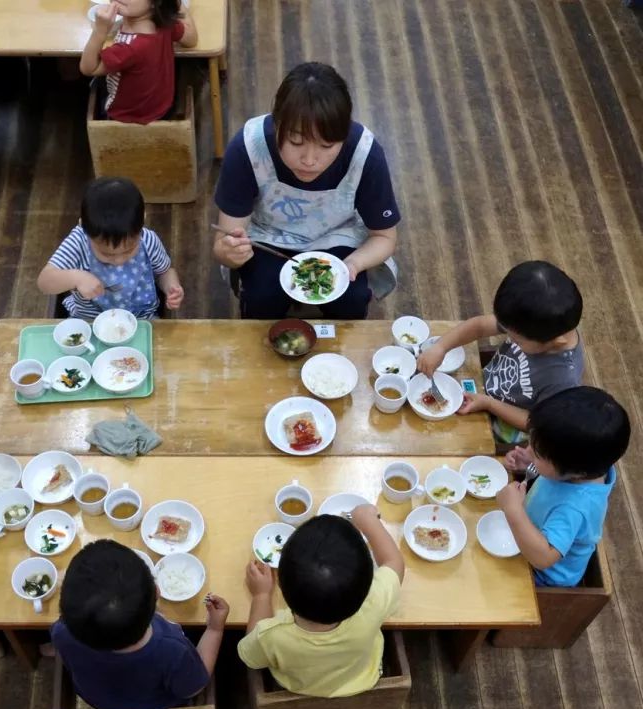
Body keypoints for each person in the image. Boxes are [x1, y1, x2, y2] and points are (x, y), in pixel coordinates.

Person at [212, 62, 400, 320]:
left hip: (338, 236)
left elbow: (385, 237)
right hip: (268, 239)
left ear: (345, 135)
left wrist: (353, 264)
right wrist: (230, 253)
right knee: (261, 299)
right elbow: (224, 242)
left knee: (350, 300)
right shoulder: (248, 147)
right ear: (276, 124)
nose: (310, 160)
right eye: (296, 142)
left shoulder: (365, 153)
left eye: (326, 145)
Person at [51, 540, 229, 709]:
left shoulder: (61, 632)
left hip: (102, 701)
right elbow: (193, 688)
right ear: (157, 591)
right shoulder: (172, 650)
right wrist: (215, 629)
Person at [240, 507, 404, 697]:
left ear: (282, 587)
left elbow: (250, 655)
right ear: (367, 582)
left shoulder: (270, 635)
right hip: (361, 676)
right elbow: (394, 562)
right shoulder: (374, 601)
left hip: (297, 686)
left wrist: (261, 596)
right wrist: (369, 521)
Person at [417, 260, 583, 445]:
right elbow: (479, 327)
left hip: (502, 430)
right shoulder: (532, 321)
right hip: (481, 389)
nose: (510, 336)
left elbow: (537, 423)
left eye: (517, 340)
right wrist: (440, 347)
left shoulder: (563, 379)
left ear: (556, 341)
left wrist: (489, 404)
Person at [498, 387, 629, 587]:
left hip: (542, 577)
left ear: (577, 472)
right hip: (529, 534)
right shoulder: (581, 467)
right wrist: (532, 463)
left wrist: (513, 510)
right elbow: (555, 468)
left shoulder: (574, 508)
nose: (529, 450)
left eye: (539, 453)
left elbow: (542, 558)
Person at [37, 177, 183, 319]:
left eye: (128, 251)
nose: (118, 261)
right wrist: (76, 278)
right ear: (84, 228)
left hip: (142, 319)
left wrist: (171, 287)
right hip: (89, 321)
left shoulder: (148, 241)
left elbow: (164, 272)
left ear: (141, 224)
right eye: (106, 254)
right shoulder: (79, 242)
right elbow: (44, 282)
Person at [79, 0, 197, 123]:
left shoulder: (129, 47)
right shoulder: (163, 22)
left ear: (155, 3)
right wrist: (178, 4)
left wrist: (100, 30)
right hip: (162, 106)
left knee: (92, 85)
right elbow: (191, 39)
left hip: (126, 116)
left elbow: (89, 68)